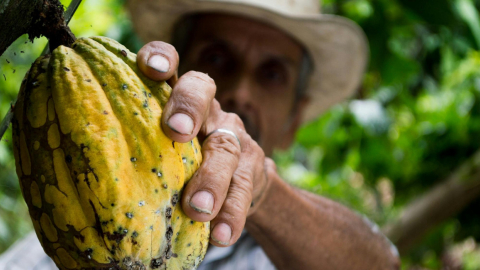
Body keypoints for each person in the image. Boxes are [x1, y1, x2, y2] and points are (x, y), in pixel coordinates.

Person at [0, 0, 400, 269]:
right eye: (216, 58)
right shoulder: (56, 239)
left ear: (295, 120)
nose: (241, 91)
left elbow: (380, 263)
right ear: (166, 74)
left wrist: (261, 191)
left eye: (272, 74)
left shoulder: (289, 255)